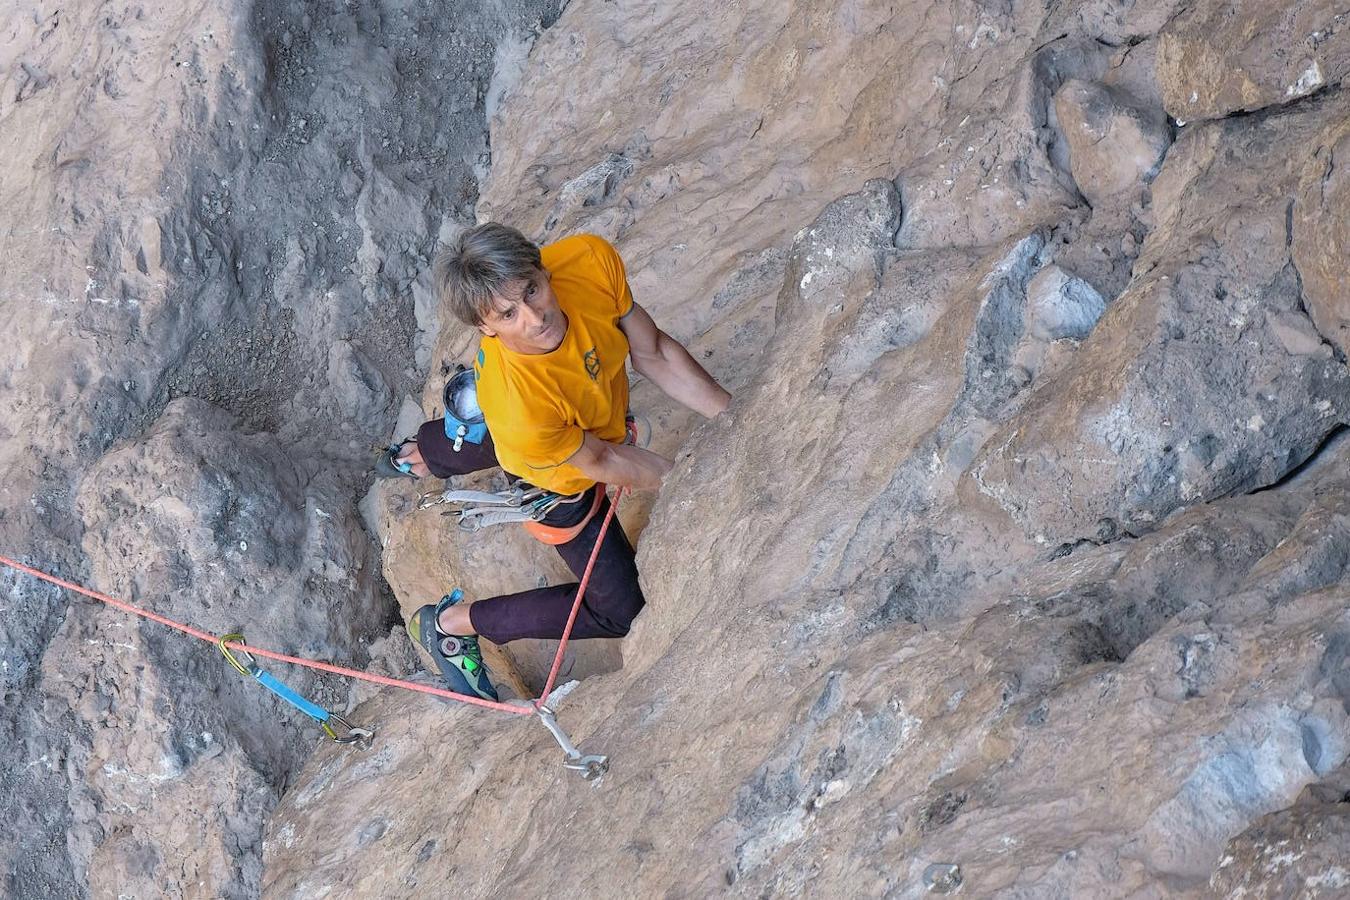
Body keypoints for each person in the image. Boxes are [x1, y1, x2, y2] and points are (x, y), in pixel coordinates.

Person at [385, 223, 730, 700]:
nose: (534, 315)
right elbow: (602, 458)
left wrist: (735, 418)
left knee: (527, 427)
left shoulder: (588, 260)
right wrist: (692, 479)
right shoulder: (519, 409)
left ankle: (424, 452)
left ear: (543, 268)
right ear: (486, 328)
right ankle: (452, 622)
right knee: (619, 612)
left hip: (563, 421)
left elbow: (653, 352)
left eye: (532, 289)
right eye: (508, 314)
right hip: (556, 479)